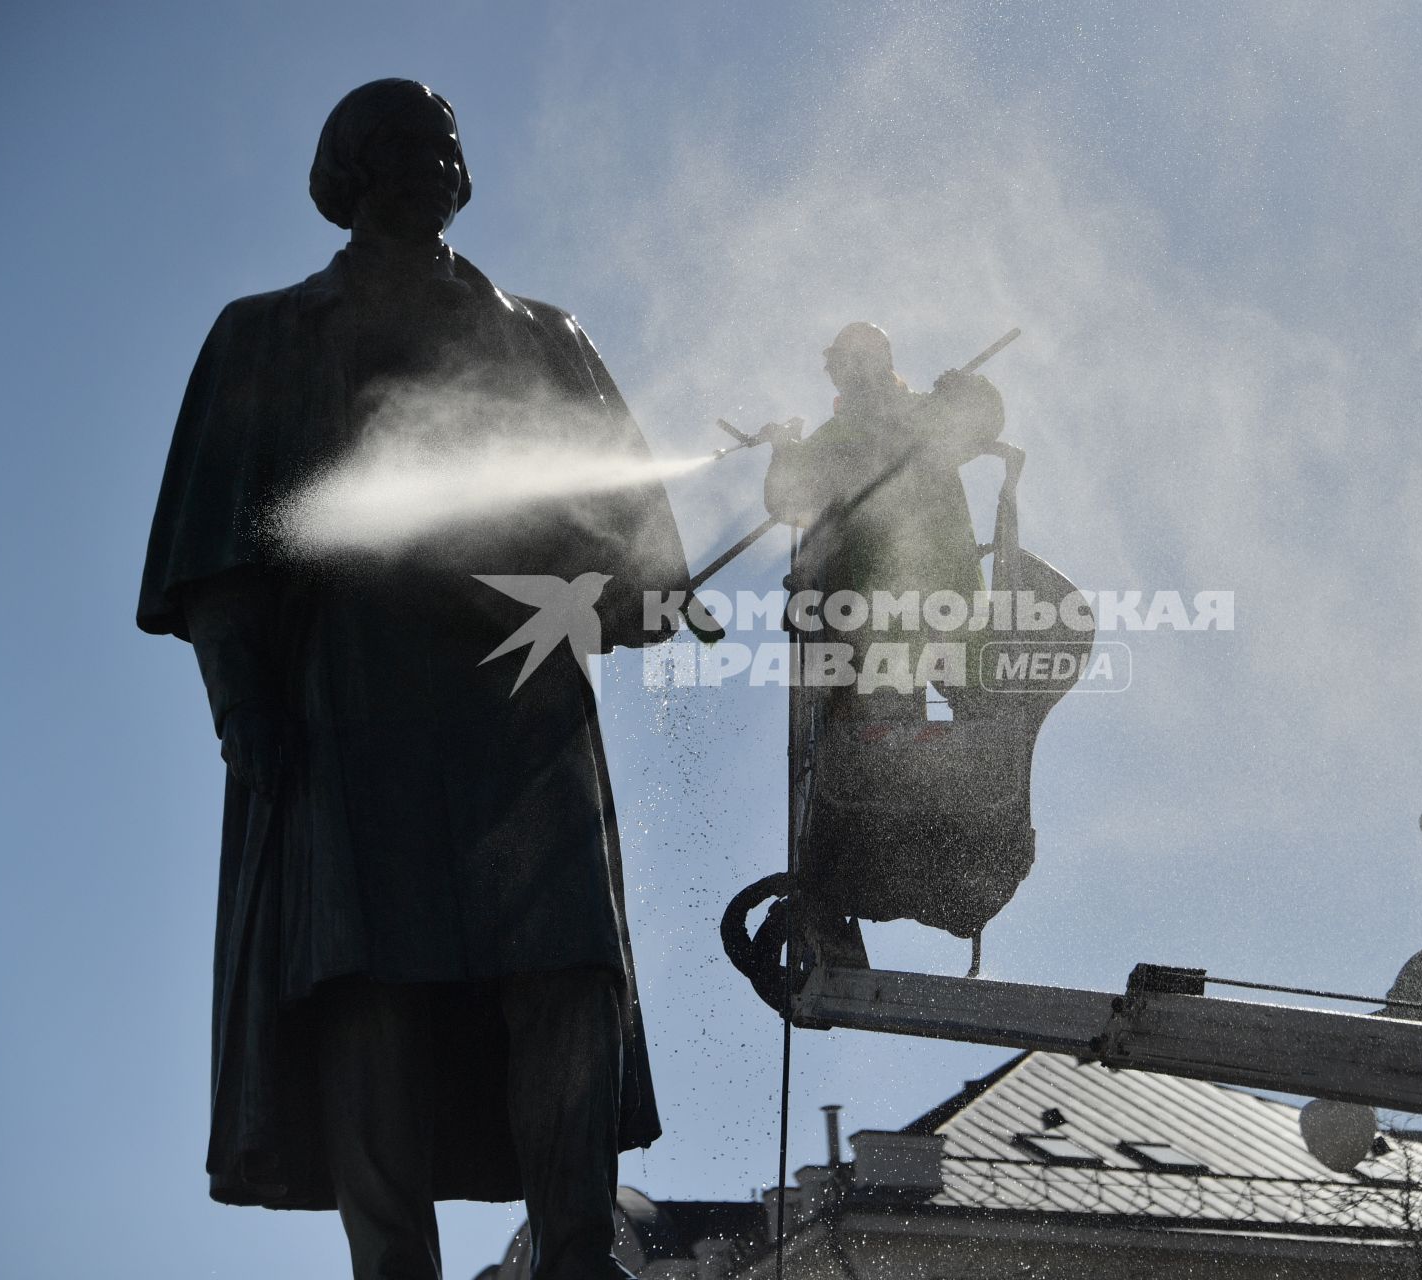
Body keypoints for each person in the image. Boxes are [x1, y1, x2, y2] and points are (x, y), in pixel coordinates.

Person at [137, 80, 687, 1280]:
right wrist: (248, 720)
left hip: (522, 709)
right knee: (368, 987)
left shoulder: (550, 338)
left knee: (563, 974)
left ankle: (578, 1257)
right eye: (397, 146)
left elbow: (648, 573)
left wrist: (614, 588)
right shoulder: (266, 335)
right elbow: (218, 563)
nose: (428, 162)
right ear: (346, 174)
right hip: (353, 702)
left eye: (442, 143)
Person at [762, 322, 1004, 716]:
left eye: (863, 359)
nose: (857, 370)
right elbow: (787, 498)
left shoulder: (918, 413)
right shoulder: (861, 430)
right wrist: (784, 451)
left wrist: (970, 390)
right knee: (908, 708)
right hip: (900, 601)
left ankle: (970, 727)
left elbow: (981, 421)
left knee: (958, 701)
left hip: (925, 594)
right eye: (849, 362)